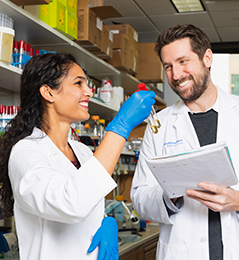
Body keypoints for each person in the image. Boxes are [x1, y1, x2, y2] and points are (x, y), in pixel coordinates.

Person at [0, 52, 155, 260]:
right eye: (78, 83)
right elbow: (71, 203)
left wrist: (105, 220)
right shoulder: (26, 152)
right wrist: (121, 126)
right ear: (48, 92)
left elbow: (88, 198)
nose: (89, 92)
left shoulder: (81, 150)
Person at [131, 24, 239, 260]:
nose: (176, 75)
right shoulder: (158, 126)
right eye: (168, 66)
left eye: (183, 61)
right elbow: (140, 198)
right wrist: (170, 195)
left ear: (207, 58)